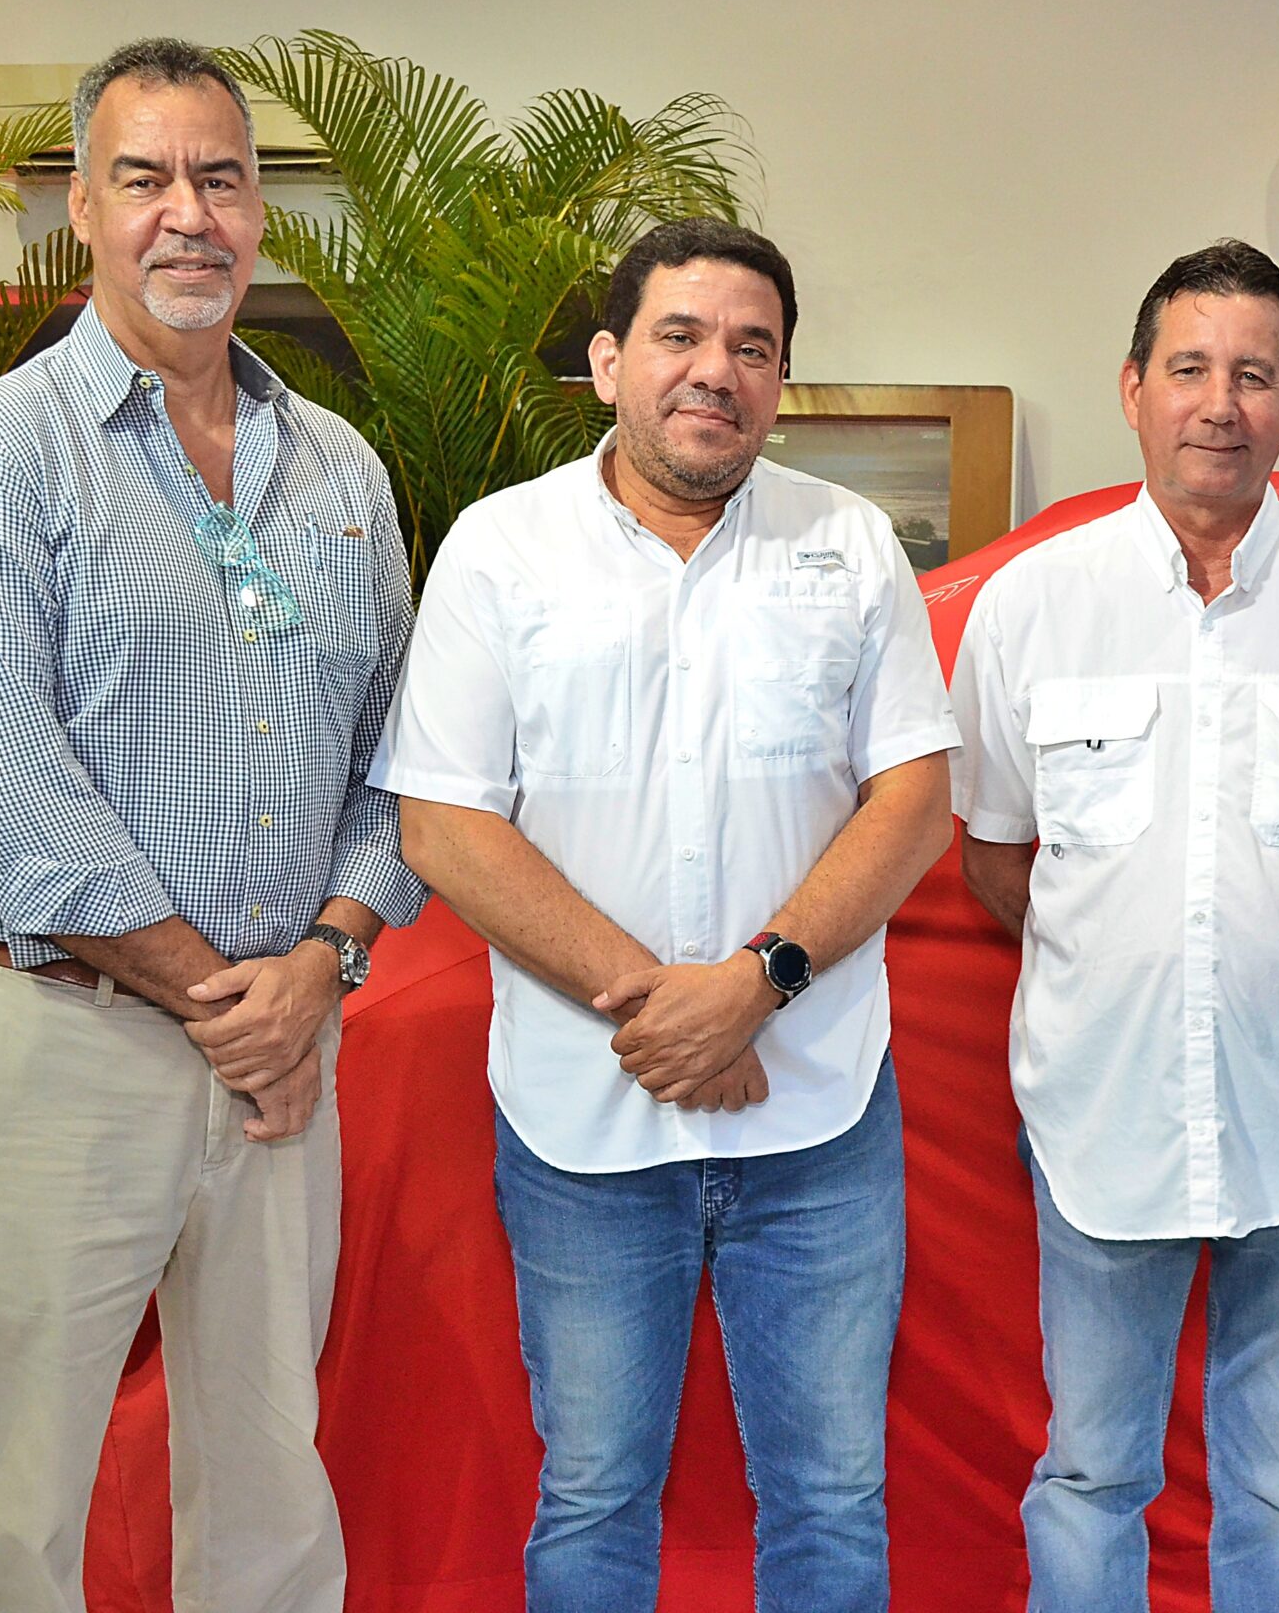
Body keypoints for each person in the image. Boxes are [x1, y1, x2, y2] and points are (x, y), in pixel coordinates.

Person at [0, 37, 425, 1612]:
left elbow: (401, 756)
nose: (186, 213)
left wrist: (319, 968)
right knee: (9, 1507)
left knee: (272, 1484)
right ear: (82, 208)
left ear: (260, 213)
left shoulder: (337, 469)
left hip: (284, 1051)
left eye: (221, 178)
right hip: (65, 1040)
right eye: (144, 178)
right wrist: (231, 1004)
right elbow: (11, 793)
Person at [373, 216, 957, 1612]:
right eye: (681, 336)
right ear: (607, 362)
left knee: (832, 1497)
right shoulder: (500, 552)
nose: (716, 371)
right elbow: (443, 822)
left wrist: (753, 985)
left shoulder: (849, 543)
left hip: (815, 1117)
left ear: (780, 380)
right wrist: (668, 1008)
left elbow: (916, 798)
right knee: (592, 1492)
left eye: (753, 347)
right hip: (583, 1120)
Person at [950, 239, 1279, 1612]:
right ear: (1132, 389)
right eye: (1189, 369)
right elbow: (996, 855)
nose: (1219, 404)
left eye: (1253, 374)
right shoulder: (1031, 603)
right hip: (1099, 1110)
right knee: (1089, 1473)